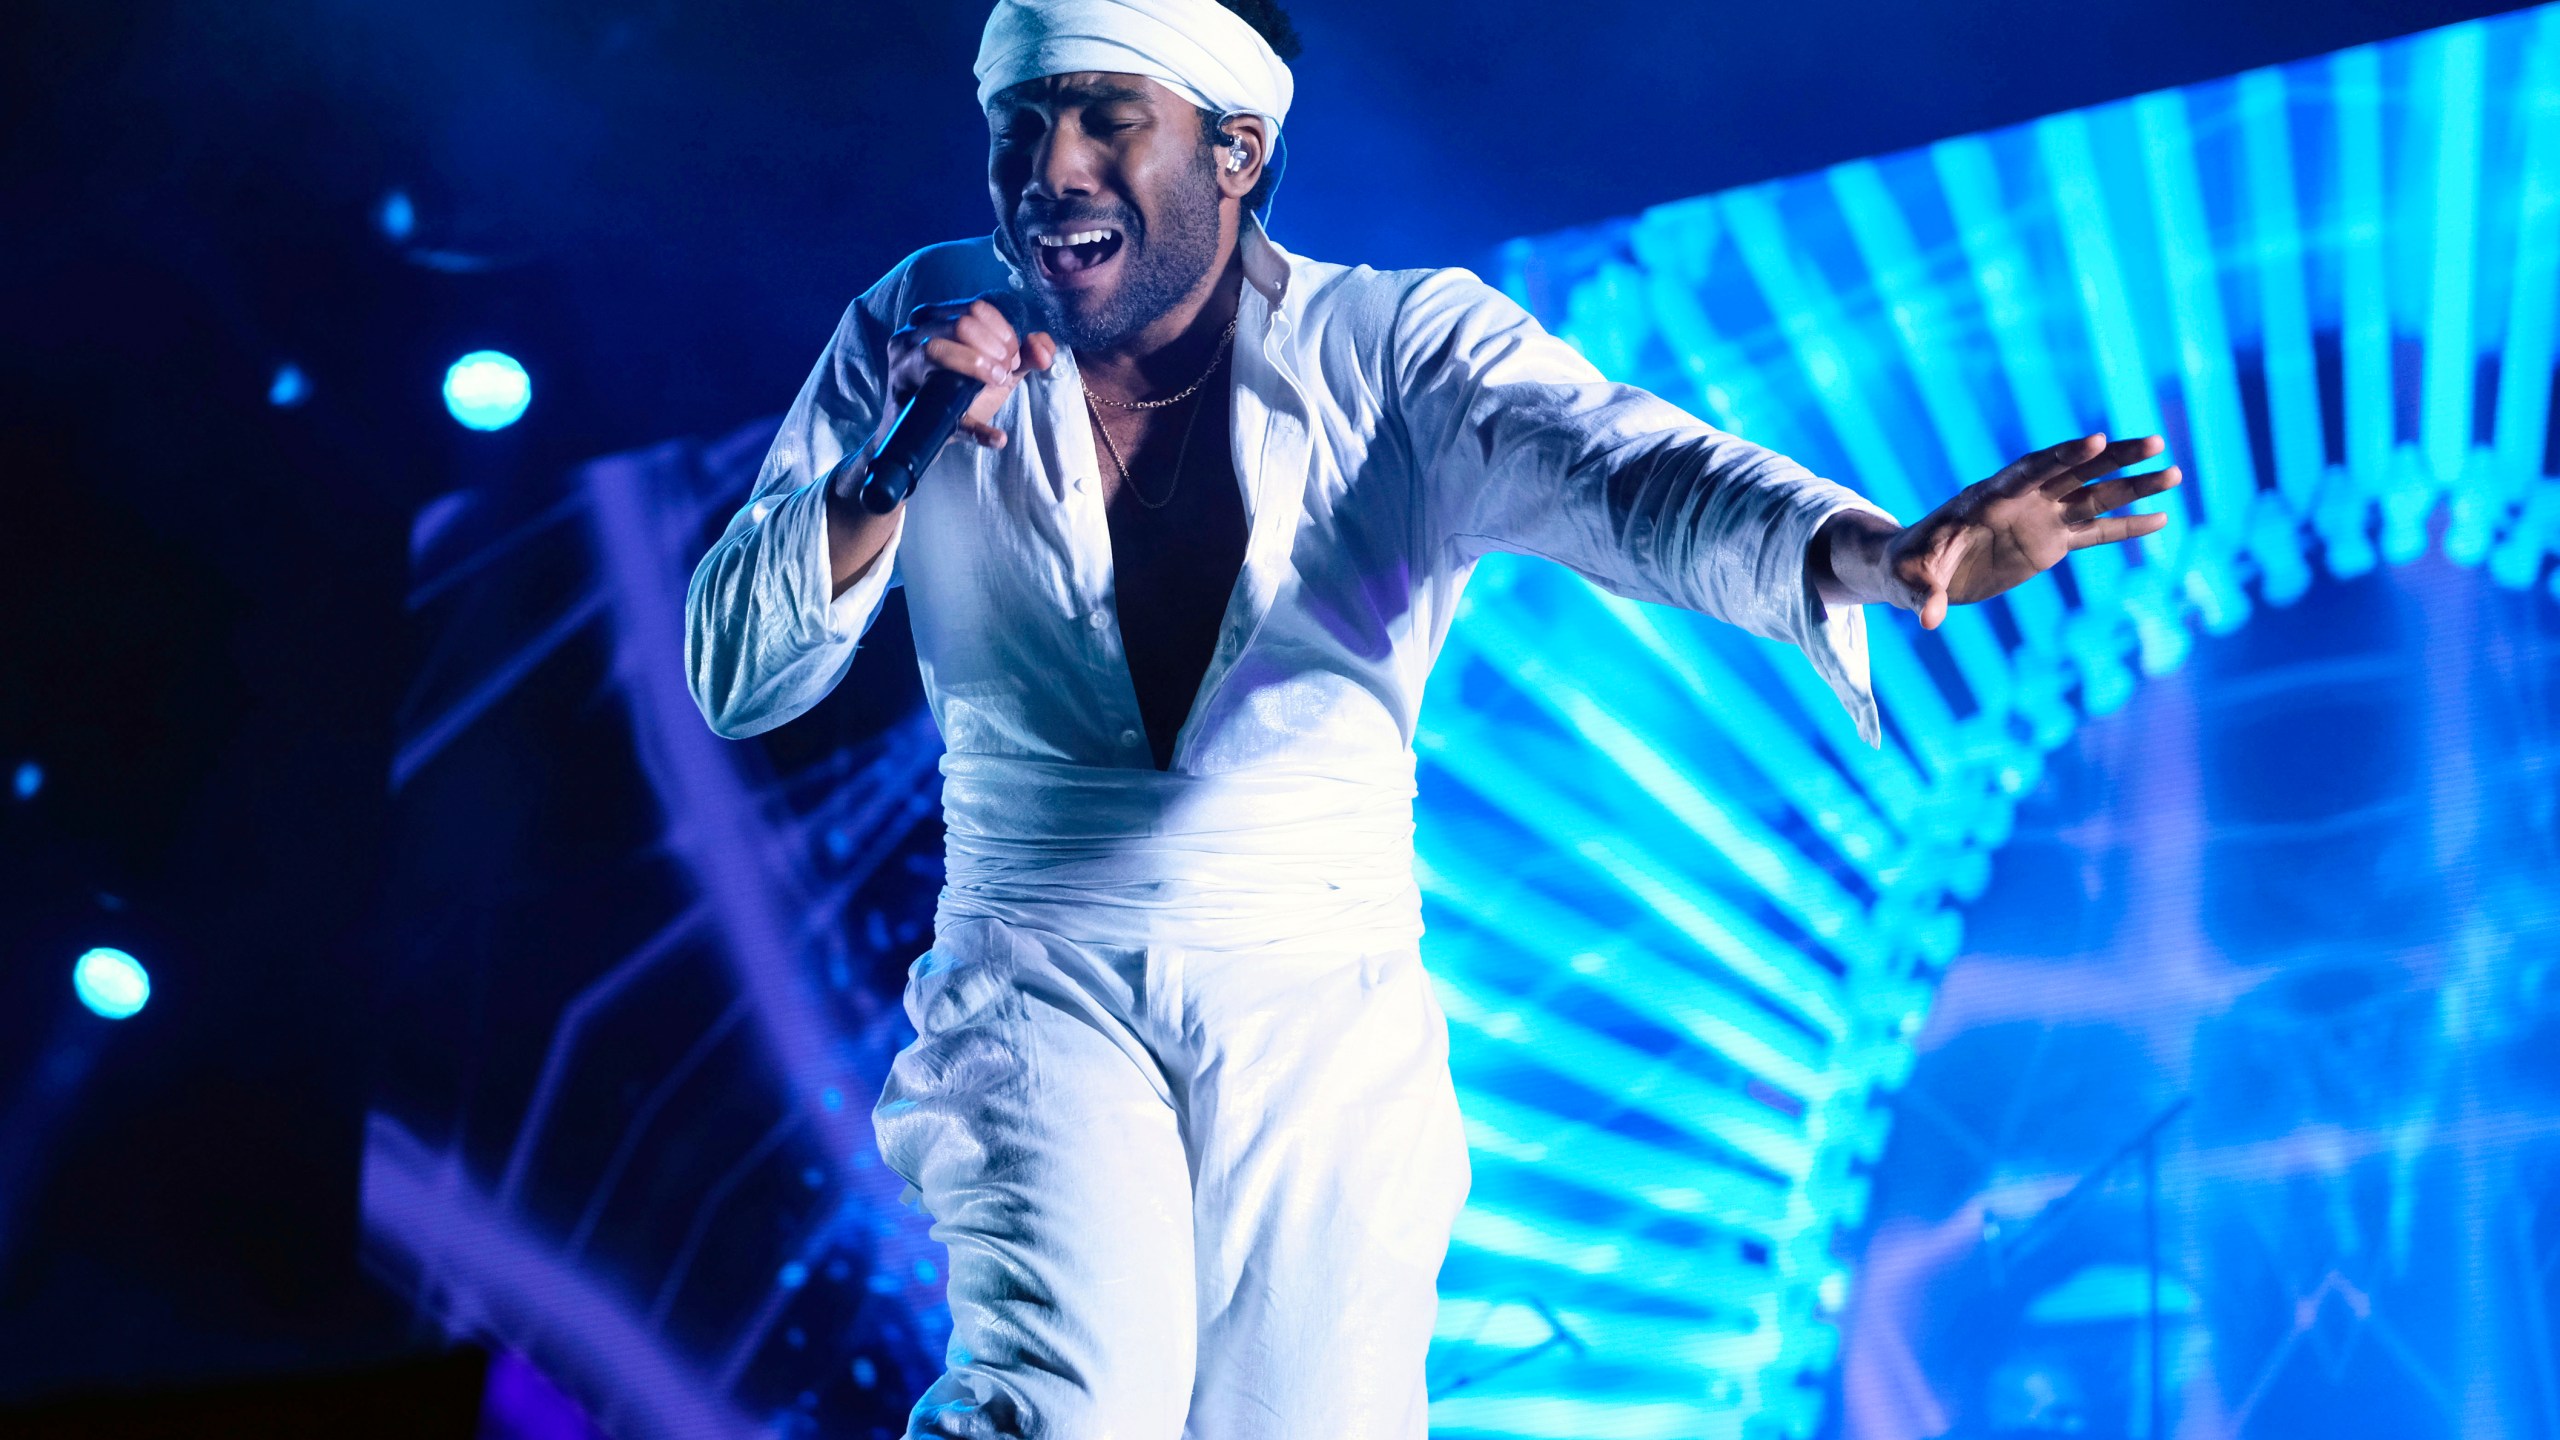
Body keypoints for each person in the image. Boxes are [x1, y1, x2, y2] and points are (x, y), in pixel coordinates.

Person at [683, 0, 2182, 1433]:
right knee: (1067, 1405)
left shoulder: (1396, 349)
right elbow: (740, 675)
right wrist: (886, 465)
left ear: (1234, 150)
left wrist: (1872, 553)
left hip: (1321, 997)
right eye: (1019, 122)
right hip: (1037, 965)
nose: (1048, 167)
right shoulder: (926, 322)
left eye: (1100, 115)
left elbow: (1627, 476)